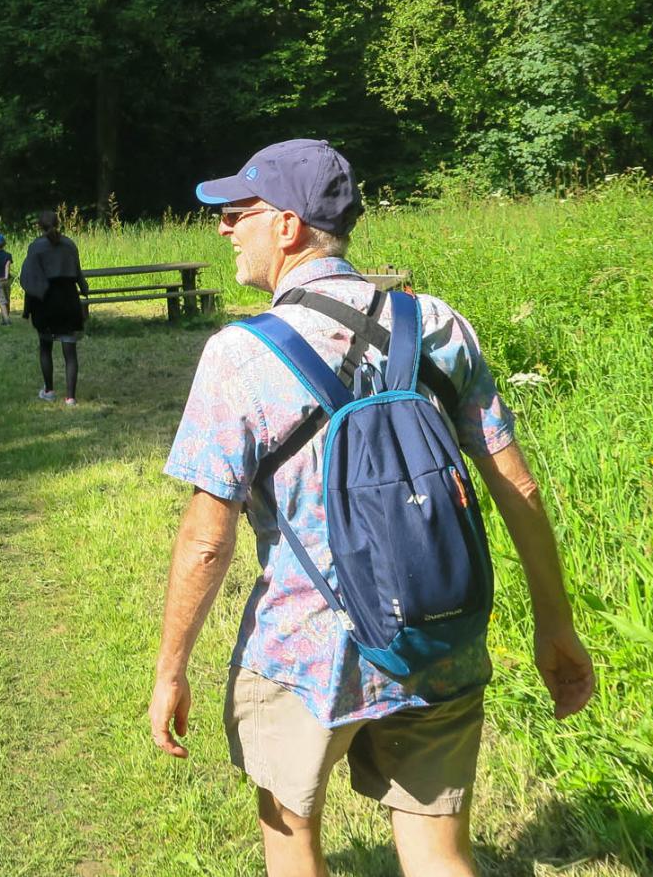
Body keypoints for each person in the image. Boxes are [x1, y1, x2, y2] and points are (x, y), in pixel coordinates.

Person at [147, 138, 595, 877]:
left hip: (304, 651)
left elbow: (205, 540)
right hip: (436, 638)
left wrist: (171, 668)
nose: (224, 226)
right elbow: (519, 486)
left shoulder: (241, 354)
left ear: (287, 225)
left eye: (239, 212)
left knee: (293, 846)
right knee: (441, 856)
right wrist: (555, 619)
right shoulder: (438, 324)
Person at [19, 210, 87, 405]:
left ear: (39, 226)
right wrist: (84, 289)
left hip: (45, 301)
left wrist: (27, 310)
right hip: (69, 299)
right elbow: (78, 273)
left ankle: (49, 390)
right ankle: (71, 397)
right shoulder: (70, 244)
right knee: (70, 353)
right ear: (59, 223)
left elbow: (30, 280)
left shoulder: (35, 247)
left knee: (45, 347)